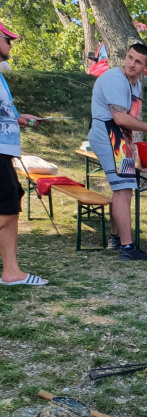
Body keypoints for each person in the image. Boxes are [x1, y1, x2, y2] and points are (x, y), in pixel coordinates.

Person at [88, 42, 147, 261]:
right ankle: (127, 248)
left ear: (145, 67)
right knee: (123, 190)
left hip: (121, 138)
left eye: (138, 61)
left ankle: (116, 238)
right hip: (107, 134)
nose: (131, 64)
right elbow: (119, 118)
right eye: (130, 58)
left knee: (123, 189)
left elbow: (128, 119)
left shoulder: (137, 85)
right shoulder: (114, 79)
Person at [0, 21, 47, 286]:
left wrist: (19, 118)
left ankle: (11, 272)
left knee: (11, 207)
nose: (11, 45)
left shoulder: (0, 76)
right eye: (8, 40)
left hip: (5, 151)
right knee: (6, 209)